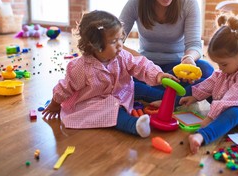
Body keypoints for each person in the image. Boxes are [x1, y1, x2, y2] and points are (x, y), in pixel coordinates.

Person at [42, 10, 179, 138]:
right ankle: (135, 126)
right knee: (115, 113)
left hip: (123, 91)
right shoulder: (80, 67)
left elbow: (141, 65)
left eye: (120, 38)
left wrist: (158, 75)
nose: (120, 45)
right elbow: (65, 87)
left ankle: (176, 100)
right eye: (114, 41)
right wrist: (55, 104)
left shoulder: (122, 56)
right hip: (97, 101)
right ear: (95, 46)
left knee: (143, 89)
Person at [119, 0, 214, 103]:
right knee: (118, 75)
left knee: (208, 71)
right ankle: (175, 98)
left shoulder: (188, 3)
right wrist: (141, 60)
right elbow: (115, 41)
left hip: (177, 68)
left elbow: (194, 44)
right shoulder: (136, 2)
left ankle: (154, 95)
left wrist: (189, 59)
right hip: (146, 67)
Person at [179, 13, 238, 154]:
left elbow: (230, 100)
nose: (220, 68)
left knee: (234, 112)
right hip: (227, 99)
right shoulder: (231, 66)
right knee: (202, 86)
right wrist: (195, 96)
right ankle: (168, 100)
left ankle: (202, 137)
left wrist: (209, 119)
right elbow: (212, 80)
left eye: (223, 64)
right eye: (218, 64)